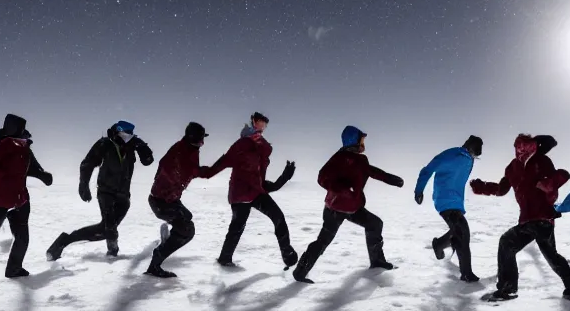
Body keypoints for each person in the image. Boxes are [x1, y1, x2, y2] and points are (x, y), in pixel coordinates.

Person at [471, 134, 570, 303]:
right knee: (547, 255)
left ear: (532, 146)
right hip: (529, 219)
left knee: (511, 243)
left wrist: (549, 185)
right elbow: (501, 189)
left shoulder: (542, 161)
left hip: (543, 217)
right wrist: (481, 187)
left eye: (525, 146)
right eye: (518, 146)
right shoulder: (512, 168)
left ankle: (508, 289)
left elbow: (559, 177)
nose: (521, 149)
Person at [292, 126, 403, 283]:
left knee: (375, 224)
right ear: (354, 141)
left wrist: (390, 179)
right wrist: (343, 189)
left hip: (353, 207)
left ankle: (377, 260)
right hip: (334, 208)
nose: (364, 143)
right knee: (323, 241)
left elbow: (373, 171)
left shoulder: (361, 160)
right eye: (361, 140)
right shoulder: (338, 158)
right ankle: (300, 271)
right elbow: (322, 177)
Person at [45, 121, 154, 261]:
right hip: (106, 192)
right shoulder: (105, 144)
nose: (130, 135)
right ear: (118, 132)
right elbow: (87, 163)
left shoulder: (132, 146)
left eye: (132, 133)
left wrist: (142, 146)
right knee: (110, 228)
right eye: (127, 132)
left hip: (124, 196)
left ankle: (65, 239)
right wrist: (83, 185)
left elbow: (148, 161)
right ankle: (112, 254)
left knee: (105, 230)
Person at [203, 112, 297, 268]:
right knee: (237, 228)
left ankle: (287, 255)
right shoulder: (241, 145)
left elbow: (261, 183)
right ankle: (224, 260)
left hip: (255, 193)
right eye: (259, 123)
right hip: (240, 195)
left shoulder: (261, 149)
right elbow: (222, 163)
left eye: (264, 126)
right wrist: (201, 172)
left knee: (278, 217)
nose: (261, 128)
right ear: (252, 122)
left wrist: (284, 177)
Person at [0, 114, 54, 278]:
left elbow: (32, 169)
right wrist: (0, 176)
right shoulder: (7, 144)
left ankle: (13, 269)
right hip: (0, 200)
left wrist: (43, 176)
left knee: (22, 238)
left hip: (20, 200)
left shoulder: (25, 149)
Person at [142, 122, 213, 278]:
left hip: (169, 199)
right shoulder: (180, 151)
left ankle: (167, 241)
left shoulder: (190, 148)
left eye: (203, 140)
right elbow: (172, 169)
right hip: (161, 201)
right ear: (191, 138)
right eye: (200, 140)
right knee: (187, 230)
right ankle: (155, 265)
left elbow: (189, 170)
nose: (202, 143)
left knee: (186, 218)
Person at [414, 135, 484, 282]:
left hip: (457, 202)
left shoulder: (469, 160)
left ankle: (439, 244)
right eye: (474, 153)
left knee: (458, 232)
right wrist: (419, 190)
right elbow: (428, 169)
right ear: (470, 147)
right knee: (463, 231)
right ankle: (466, 273)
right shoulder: (451, 154)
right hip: (444, 199)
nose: (474, 157)